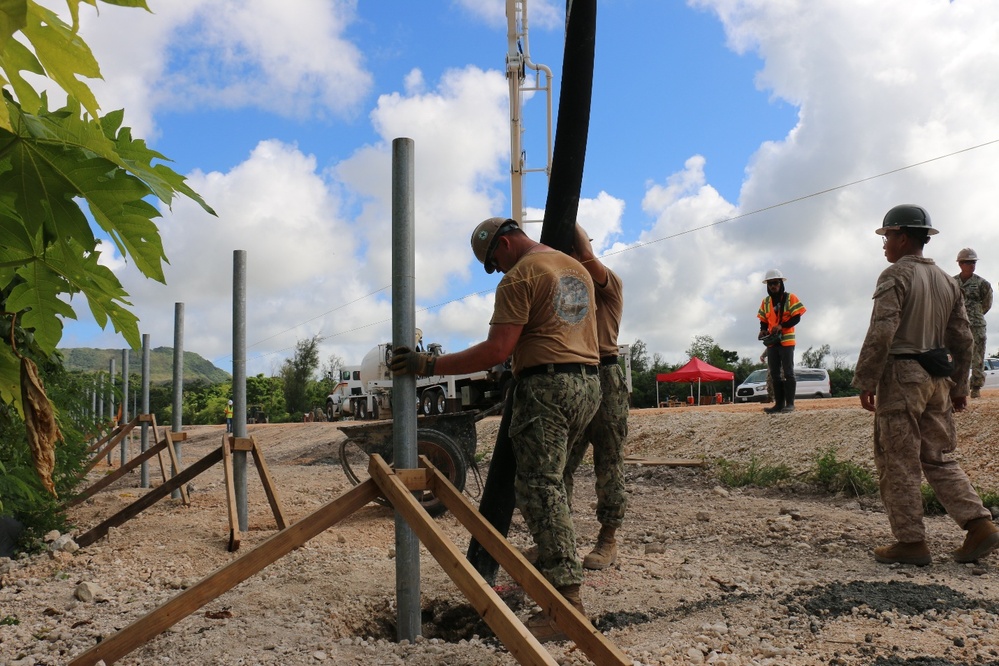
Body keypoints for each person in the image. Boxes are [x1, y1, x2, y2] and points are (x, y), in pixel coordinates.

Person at [390, 217, 601, 641]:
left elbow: (496, 350)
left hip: (547, 386)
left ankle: (567, 604)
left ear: (503, 244)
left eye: (494, 262)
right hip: (588, 384)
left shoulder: (521, 276)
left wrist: (428, 365)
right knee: (555, 483)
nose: (498, 271)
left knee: (538, 488)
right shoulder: (573, 267)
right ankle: (551, 572)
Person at [853, 204, 999, 566]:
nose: (885, 244)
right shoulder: (948, 282)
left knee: (898, 460)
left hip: (902, 377)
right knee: (938, 457)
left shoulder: (895, 275)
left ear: (903, 236)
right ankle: (980, 524)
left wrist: (866, 378)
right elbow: (963, 338)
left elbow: (883, 329)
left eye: (887, 236)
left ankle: (911, 543)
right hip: (937, 380)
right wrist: (960, 386)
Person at [562, 224, 629, 571]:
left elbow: (587, 256)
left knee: (608, 462)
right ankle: (560, 541)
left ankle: (608, 540)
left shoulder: (608, 285)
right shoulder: (569, 292)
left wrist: (564, 214)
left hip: (605, 373)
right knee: (561, 466)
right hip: (574, 377)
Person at [757, 269, 806, 414]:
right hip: (772, 342)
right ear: (767, 285)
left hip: (786, 340)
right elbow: (763, 320)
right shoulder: (765, 302)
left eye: (776, 283)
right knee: (774, 374)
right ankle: (779, 404)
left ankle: (790, 404)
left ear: (781, 283)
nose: (773, 286)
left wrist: (782, 326)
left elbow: (797, 317)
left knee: (788, 372)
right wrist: (763, 330)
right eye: (771, 283)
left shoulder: (791, 298)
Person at [953, 248, 993, 398]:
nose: (972, 265)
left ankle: (976, 387)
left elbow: (986, 304)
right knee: (957, 355)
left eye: (973, 262)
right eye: (968, 262)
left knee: (978, 355)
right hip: (958, 324)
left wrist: (975, 314)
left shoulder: (983, 284)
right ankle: (956, 387)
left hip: (976, 324)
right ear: (960, 264)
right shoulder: (952, 282)